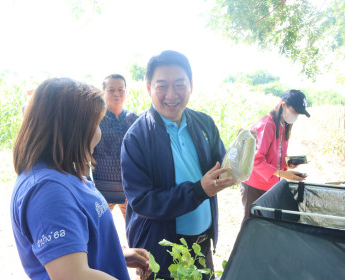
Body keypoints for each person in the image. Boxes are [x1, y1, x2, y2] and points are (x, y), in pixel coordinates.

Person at [11, 78, 151, 280]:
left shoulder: (63, 174)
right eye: (95, 124)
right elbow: (73, 275)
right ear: (71, 129)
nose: (99, 133)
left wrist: (116, 256)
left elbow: (75, 250)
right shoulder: (48, 190)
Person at [121, 50, 237, 280]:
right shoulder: (137, 138)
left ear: (191, 85)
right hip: (161, 249)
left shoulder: (204, 123)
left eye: (179, 84)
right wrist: (198, 191)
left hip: (201, 245)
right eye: (162, 85)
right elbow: (143, 201)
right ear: (148, 88)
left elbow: (221, 165)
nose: (171, 94)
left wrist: (240, 151)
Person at [240, 89, 311, 223]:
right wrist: (283, 174)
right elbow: (255, 160)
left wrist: (287, 164)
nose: (295, 116)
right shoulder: (267, 124)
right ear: (283, 105)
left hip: (269, 184)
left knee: (264, 224)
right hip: (254, 185)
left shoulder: (283, 125)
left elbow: (275, 156)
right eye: (294, 111)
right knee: (250, 224)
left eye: (298, 114)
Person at [93, 74, 138, 218]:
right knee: (99, 229)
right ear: (103, 93)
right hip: (102, 190)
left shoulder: (134, 120)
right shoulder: (95, 120)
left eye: (120, 89)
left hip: (129, 189)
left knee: (133, 229)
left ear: (126, 92)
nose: (116, 93)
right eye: (111, 90)